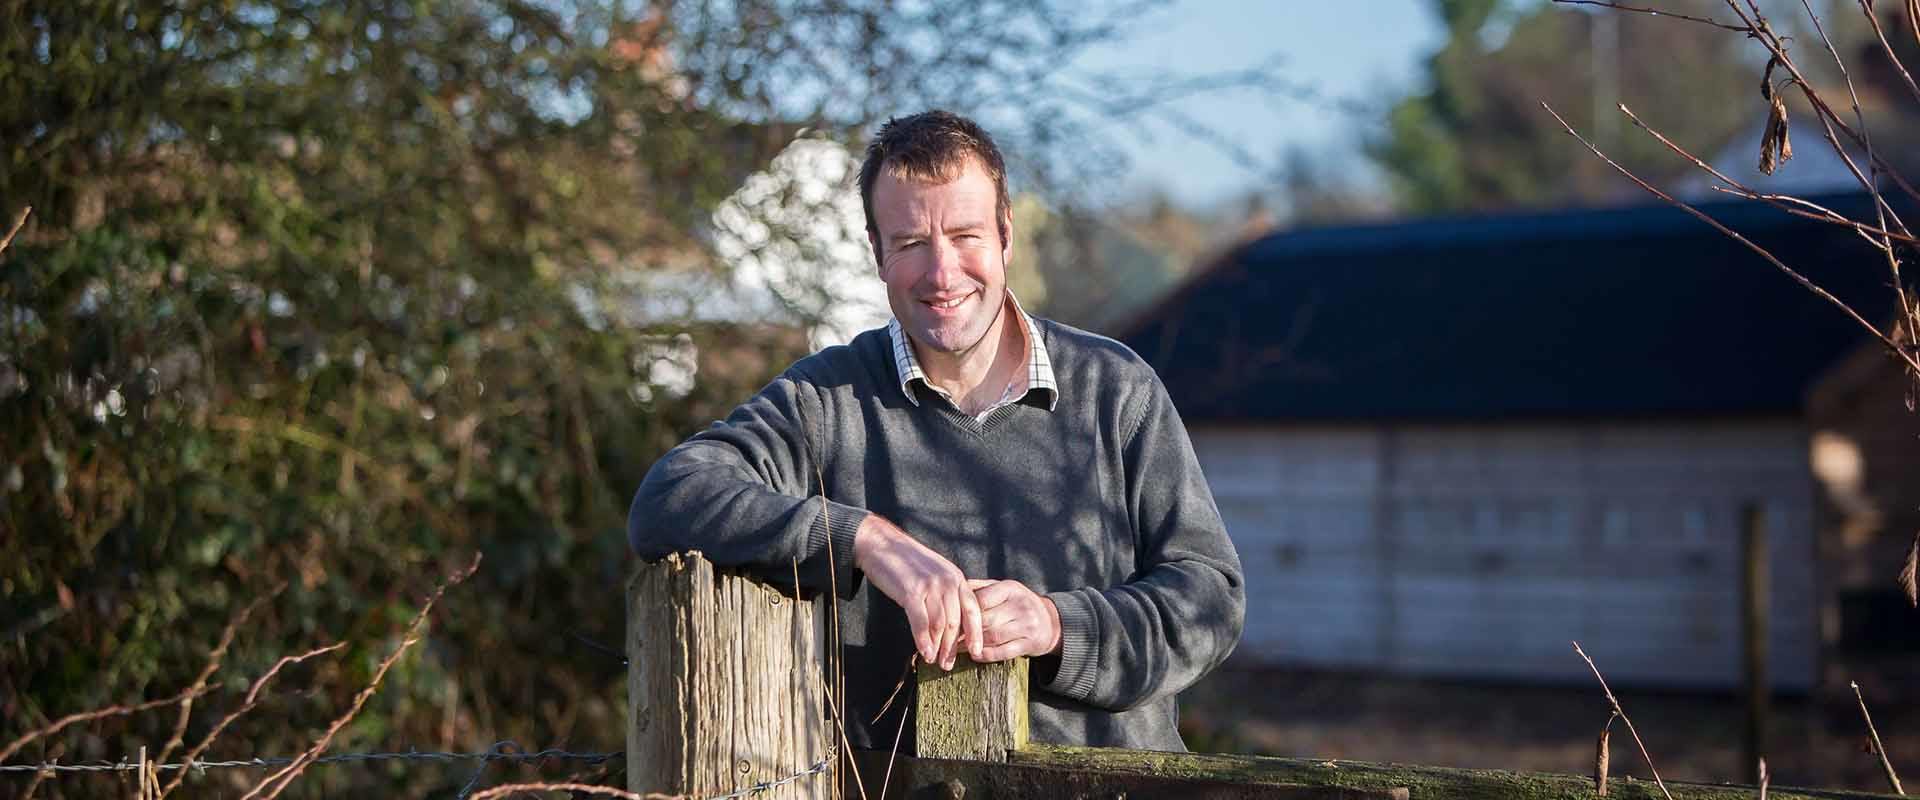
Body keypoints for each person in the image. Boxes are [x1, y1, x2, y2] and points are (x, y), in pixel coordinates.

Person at [628, 110, 1243, 752]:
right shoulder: (829, 401)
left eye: (965, 235)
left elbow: (1210, 597)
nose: (943, 272)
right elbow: (669, 500)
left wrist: (1058, 626)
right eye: (912, 243)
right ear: (876, 253)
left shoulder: (1116, 391)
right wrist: (864, 539)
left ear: (1006, 234)